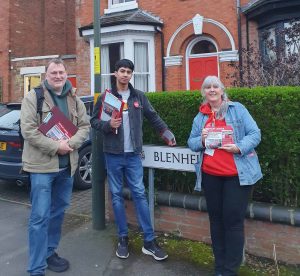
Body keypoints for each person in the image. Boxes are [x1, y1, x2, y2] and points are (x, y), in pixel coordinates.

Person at [90, 59, 176, 261]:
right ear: (115, 73)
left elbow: (153, 117)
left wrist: (166, 132)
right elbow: (93, 121)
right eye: (122, 71)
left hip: (133, 155)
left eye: (129, 72)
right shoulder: (106, 97)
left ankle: (149, 241)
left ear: (131, 75)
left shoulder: (138, 97)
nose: (125, 75)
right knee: (117, 195)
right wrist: (108, 125)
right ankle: (122, 238)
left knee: (139, 193)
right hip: (112, 154)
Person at [21, 58, 90, 276]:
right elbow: (28, 130)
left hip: (66, 169)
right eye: (54, 73)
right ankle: (36, 268)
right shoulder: (34, 97)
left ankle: (50, 252)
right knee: (39, 217)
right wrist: (55, 146)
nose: (58, 76)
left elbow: (85, 126)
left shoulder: (74, 98)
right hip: (42, 169)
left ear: (65, 74)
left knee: (58, 213)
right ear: (46, 75)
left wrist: (69, 145)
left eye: (61, 72)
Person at [187, 76, 262, 276]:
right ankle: (219, 267)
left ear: (222, 90)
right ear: (203, 92)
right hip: (210, 175)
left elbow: (255, 134)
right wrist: (201, 140)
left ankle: (230, 270)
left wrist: (238, 147)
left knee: (233, 221)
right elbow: (191, 142)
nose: (211, 90)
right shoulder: (200, 116)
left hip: (236, 176)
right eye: (207, 87)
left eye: (215, 86)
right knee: (216, 221)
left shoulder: (237, 109)